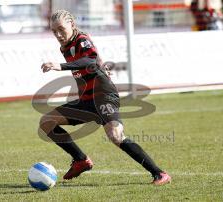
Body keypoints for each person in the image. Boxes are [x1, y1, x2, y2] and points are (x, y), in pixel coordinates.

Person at [39, 10, 171, 185]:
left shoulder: (81, 40)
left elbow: (89, 60)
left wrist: (60, 66)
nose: (58, 34)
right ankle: (80, 160)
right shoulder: (65, 47)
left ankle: (159, 173)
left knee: (115, 135)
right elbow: (94, 61)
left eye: (61, 29)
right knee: (47, 122)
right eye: (54, 31)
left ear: (72, 24)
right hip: (86, 100)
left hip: (103, 96)